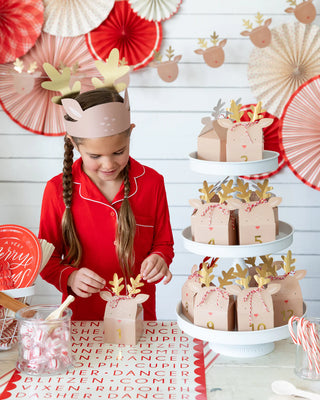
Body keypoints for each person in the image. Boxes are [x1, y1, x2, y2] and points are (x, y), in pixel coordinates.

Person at [38, 86, 174, 321]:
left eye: (118, 152)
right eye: (95, 156)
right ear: (74, 143)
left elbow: (163, 243)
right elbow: (46, 260)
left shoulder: (152, 183)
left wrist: (159, 259)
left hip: (138, 318)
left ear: (130, 133)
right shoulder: (56, 190)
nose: (109, 164)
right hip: (82, 321)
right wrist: (70, 277)